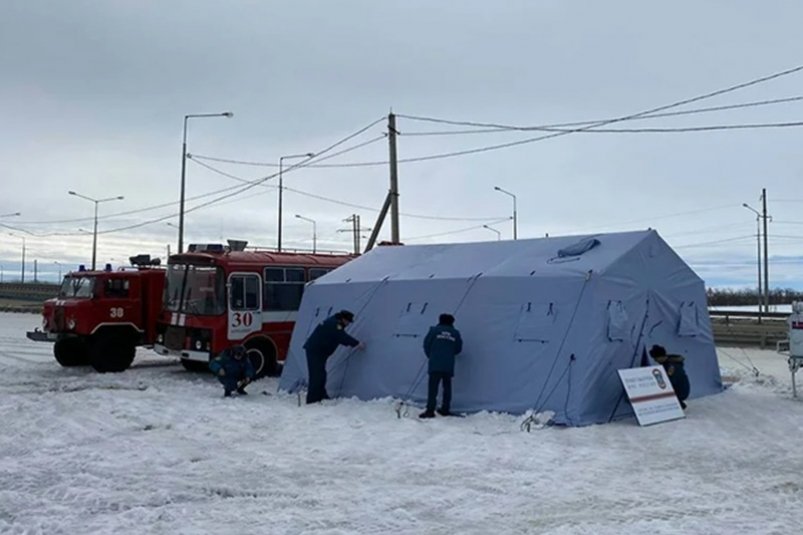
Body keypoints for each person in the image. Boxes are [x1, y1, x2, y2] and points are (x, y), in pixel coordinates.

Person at [303, 310, 365, 404]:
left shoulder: (334, 321)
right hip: (315, 351)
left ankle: (321, 396)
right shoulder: (335, 325)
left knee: (321, 374)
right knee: (316, 376)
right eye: (348, 322)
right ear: (344, 319)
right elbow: (342, 336)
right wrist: (357, 343)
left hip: (319, 352)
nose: (348, 324)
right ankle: (312, 400)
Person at [420, 313, 463, 418]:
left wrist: (431, 355)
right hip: (448, 364)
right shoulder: (455, 333)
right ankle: (445, 408)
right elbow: (458, 349)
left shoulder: (434, 331)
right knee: (447, 387)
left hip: (435, 363)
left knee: (433, 388)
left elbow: (426, 344)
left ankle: (430, 410)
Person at [649, 344, 690, 409]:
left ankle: (677, 403)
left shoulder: (671, 366)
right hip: (681, 388)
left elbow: (672, 381)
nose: (655, 360)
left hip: (681, 390)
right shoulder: (668, 363)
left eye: (656, 358)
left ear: (661, 357)